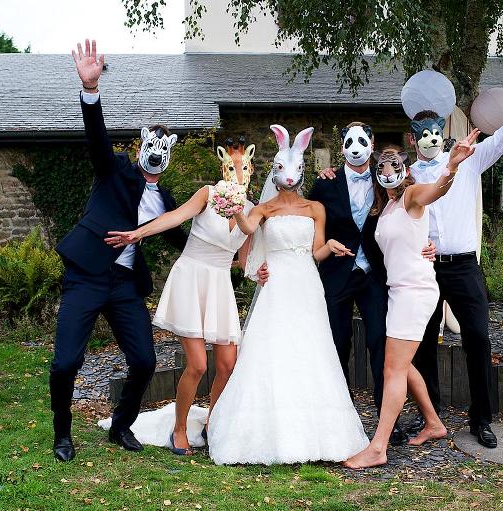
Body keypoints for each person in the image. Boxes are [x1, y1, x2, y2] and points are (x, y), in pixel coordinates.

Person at [50, 39, 188, 462]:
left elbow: (183, 239)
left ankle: (122, 424)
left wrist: (236, 241)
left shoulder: (165, 201)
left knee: (145, 361)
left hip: (126, 285)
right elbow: (96, 139)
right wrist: (91, 91)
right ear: (142, 145)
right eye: (151, 147)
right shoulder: (114, 172)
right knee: (65, 363)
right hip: (88, 276)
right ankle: (62, 434)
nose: (155, 156)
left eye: (164, 152)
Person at [410, 64, 503, 449]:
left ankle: (481, 419)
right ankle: (430, 416)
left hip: (463, 267)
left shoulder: (470, 159)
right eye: (423, 136)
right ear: (414, 141)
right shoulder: (407, 175)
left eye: (435, 133)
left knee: (478, 337)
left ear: (443, 133)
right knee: (423, 342)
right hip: (424, 269)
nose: (430, 139)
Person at [206, 124, 369, 465]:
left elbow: (316, 251)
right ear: (276, 172)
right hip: (277, 284)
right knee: (273, 348)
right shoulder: (264, 211)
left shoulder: (314, 209)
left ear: (302, 172)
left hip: (307, 283)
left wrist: (332, 247)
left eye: (294, 169)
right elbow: (247, 231)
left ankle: (315, 431)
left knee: (311, 349)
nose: (289, 176)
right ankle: (269, 427)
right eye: (282, 169)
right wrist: (234, 203)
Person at [104, 139, 267, 456]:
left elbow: (242, 260)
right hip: (192, 278)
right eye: (230, 166)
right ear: (223, 168)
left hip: (219, 284)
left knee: (228, 363)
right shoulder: (208, 193)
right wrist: (138, 233)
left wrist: (258, 271)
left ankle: (212, 423)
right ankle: (178, 429)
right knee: (197, 365)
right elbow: (176, 217)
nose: (235, 172)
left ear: (250, 170)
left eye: (242, 167)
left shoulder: (251, 211)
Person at [344, 135, 477, 469]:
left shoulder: (412, 196)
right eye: (382, 166)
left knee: (393, 368)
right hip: (398, 290)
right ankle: (434, 423)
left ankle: (378, 447)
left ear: (404, 169)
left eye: (394, 165)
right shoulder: (386, 205)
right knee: (402, 365)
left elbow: (437, 190)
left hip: (415, 291)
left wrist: (450, 167)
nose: (387, 170)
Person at [309, 123, 435, 446]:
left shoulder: (386, 181)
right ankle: (339, 420)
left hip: (376, 277)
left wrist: (428, 244)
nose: (355, 147)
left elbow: (410, 214)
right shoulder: (326, 183)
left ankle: (386, 423)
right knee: (336, 345)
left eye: (362, 140)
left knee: (381, 345)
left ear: (372, 142)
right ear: (341, 147)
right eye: (348, 142)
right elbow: (307, 222)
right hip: (337, 274)